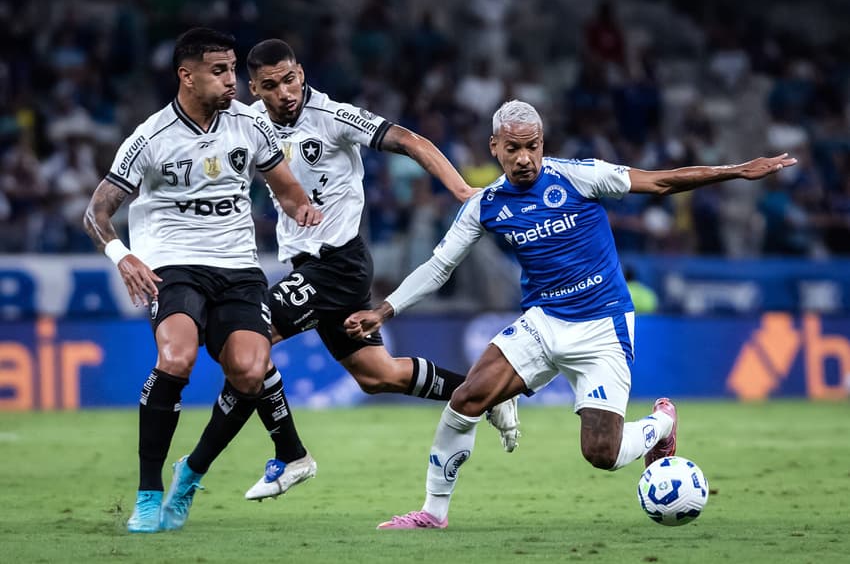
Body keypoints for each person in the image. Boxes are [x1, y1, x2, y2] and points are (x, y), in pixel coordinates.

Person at [344, 100, 797, 529]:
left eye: (533, 146)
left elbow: (659, 181)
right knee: (466, 399)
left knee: (601, 453)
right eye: (514, 148)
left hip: (602, 326)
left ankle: (662, 423)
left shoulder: (580, 178)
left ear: (543, 142)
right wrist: (385, 310)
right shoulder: (486, 206)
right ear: (495, 148)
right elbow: (439, 266)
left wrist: (735, 171)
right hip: (543, 323)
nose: (525, 158)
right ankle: (433, 513)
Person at [177, 39, 520, 513]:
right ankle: (485, 394)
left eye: (292, 79)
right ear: (252, 87)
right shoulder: (247, 121)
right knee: (377, 376)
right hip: (307, 266)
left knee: (247, 342)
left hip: (338, 263)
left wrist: (460, 189)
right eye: (271, 85)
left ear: (302, 73)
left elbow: (410, 141)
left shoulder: (333, 115)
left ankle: (287, 456)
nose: (286, 92)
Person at [82, 28, 322, 534]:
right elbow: (96, 213)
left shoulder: (249, 127)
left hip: (238, 268)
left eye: (232, 68)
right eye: (219, 70)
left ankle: (189, 473)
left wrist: (305, 209)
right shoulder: (149, 138)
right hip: (173, 264)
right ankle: (148, 495)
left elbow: (289, 191)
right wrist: (122, 256)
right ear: (186, 76)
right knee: (176, 358)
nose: (231, 79)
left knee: (251, 373)